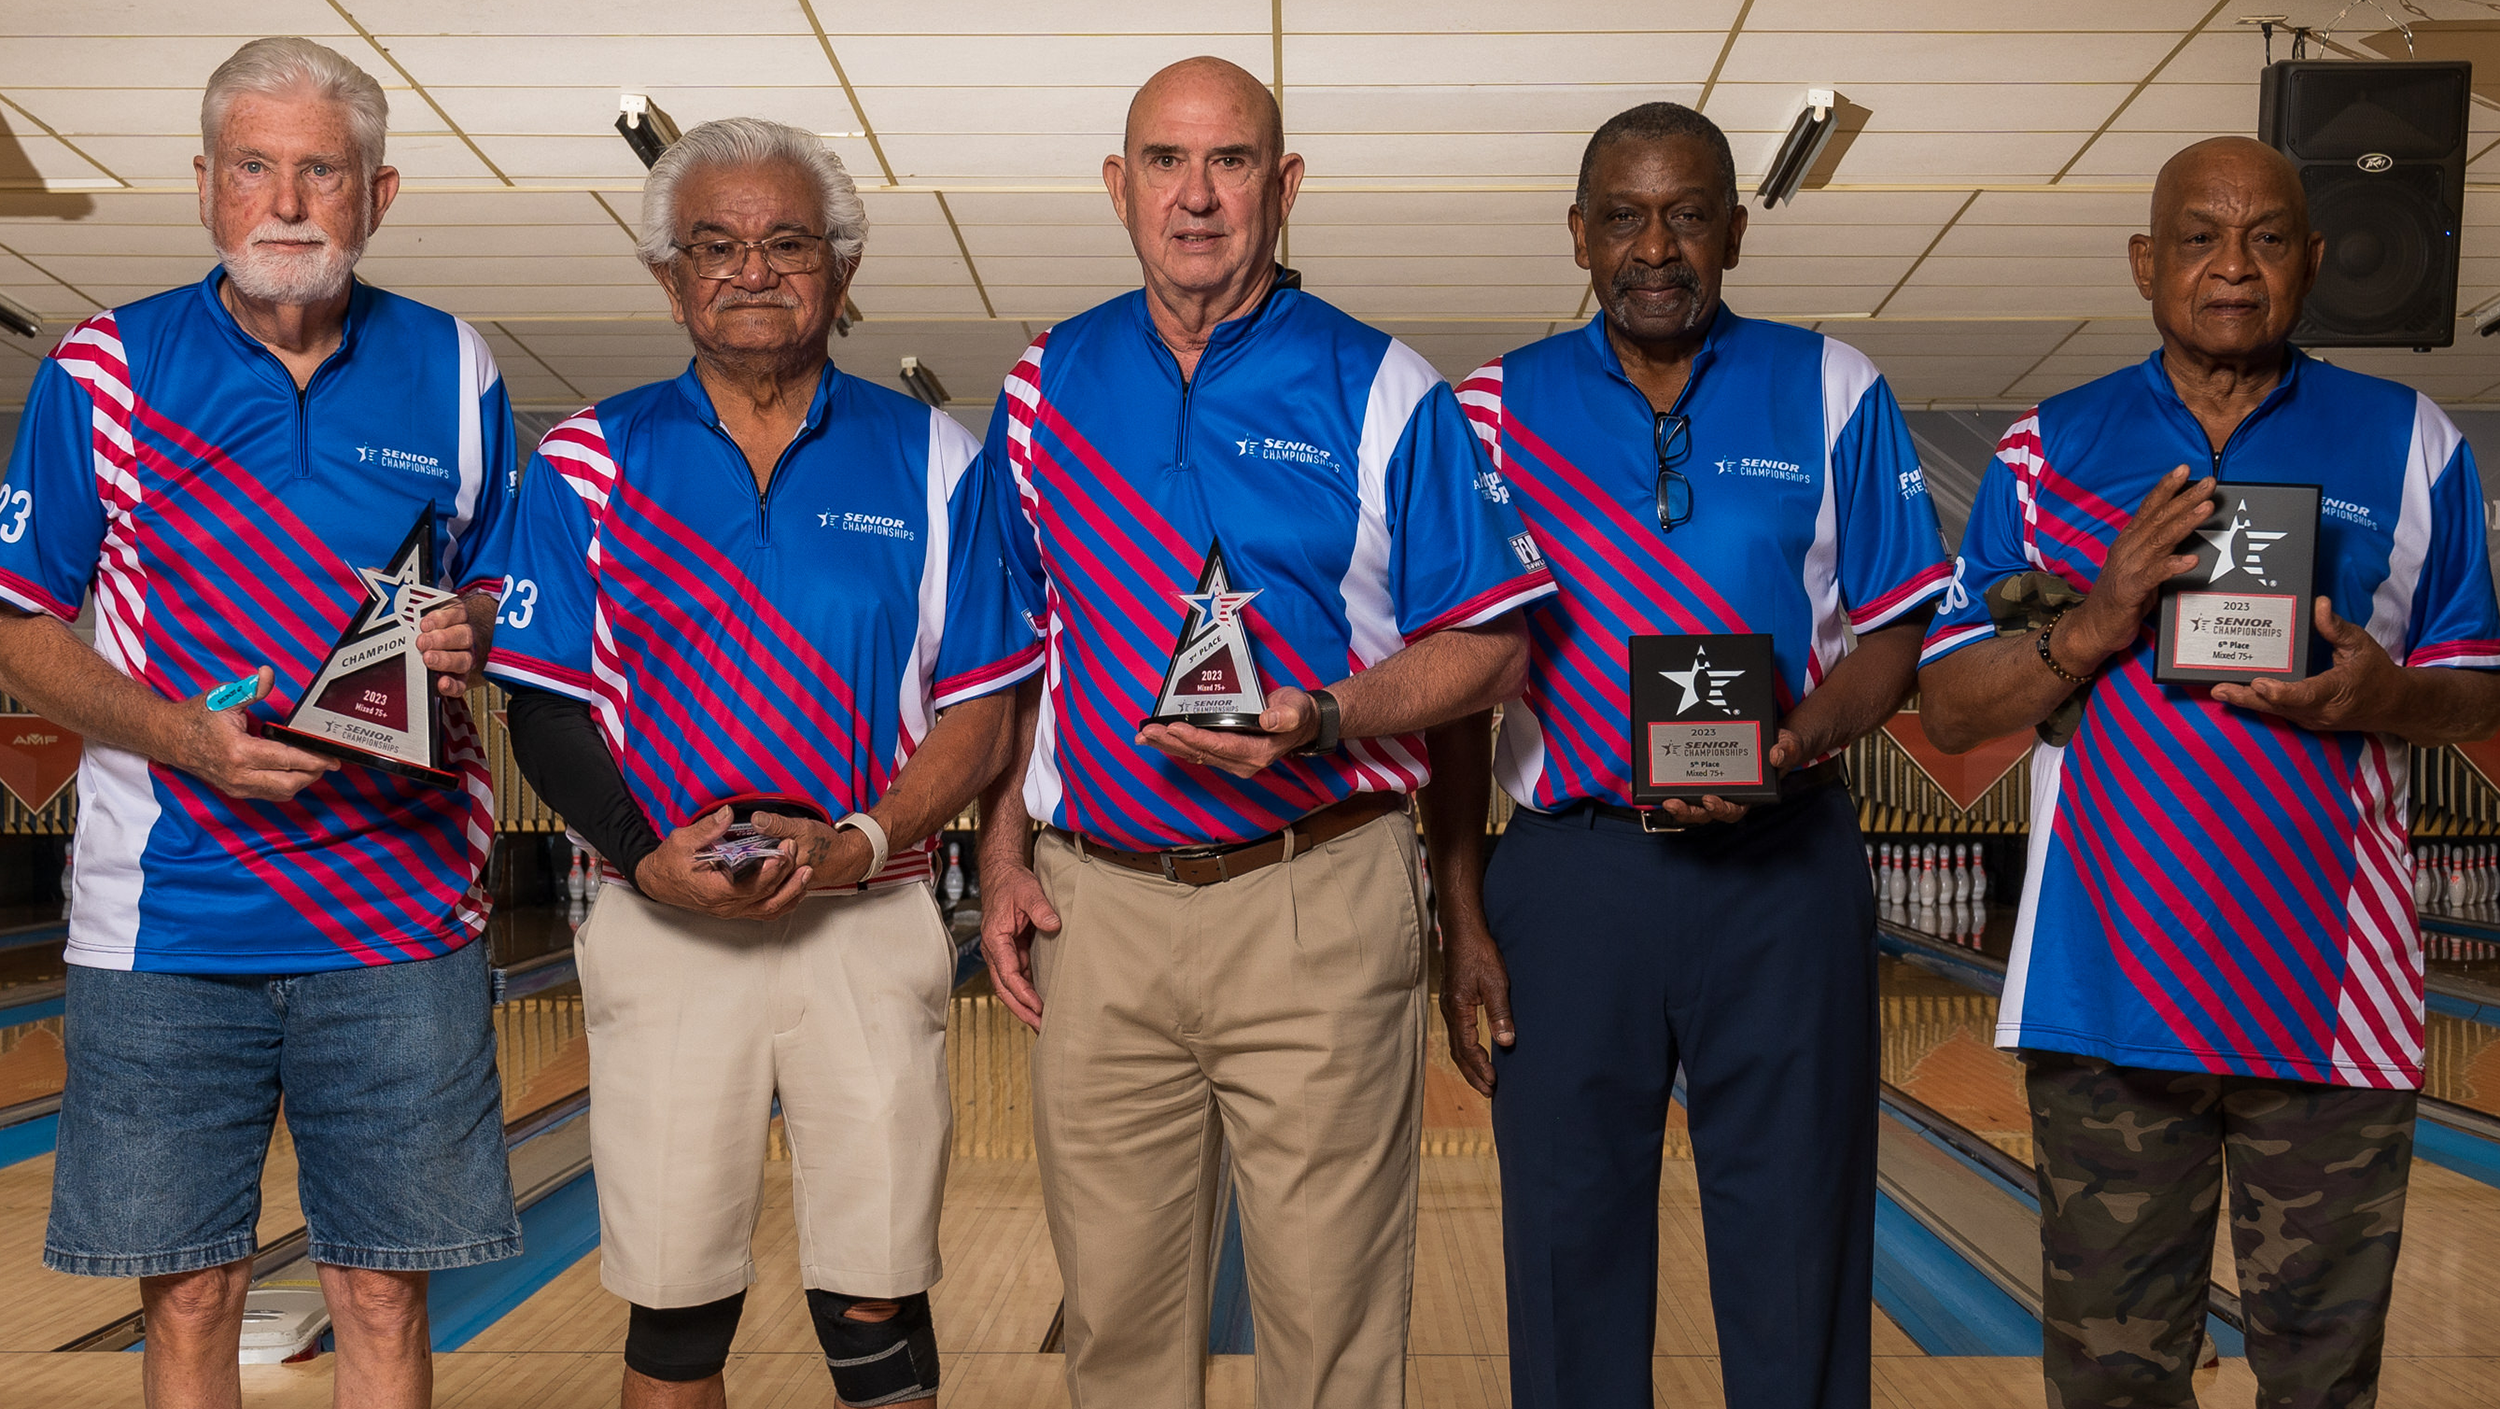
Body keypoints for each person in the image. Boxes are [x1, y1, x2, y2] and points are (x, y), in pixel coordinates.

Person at [971, 56, 1554, 1409]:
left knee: (1331, 1332)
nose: (1196, 195)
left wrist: (1327, 716)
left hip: (1318, 894)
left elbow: (1493, 646)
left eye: (1230, 161)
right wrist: (1000, 858)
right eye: (1165, 162)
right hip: (1098, 909)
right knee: (1114, 1327)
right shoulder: (1045, 385)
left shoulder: (1384, 384)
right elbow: (1010, 658)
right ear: (1118, 187)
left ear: (1282, 187)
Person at [1917, 135, 2500, 1409]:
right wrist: (2095, 616)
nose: (2232, 266)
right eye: (2198, 237)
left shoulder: (2411, 441)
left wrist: (2384, 696)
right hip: (2105, 999)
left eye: (2266, 237)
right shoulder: (2043, 449)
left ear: (2313, 261)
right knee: (2110, 1385)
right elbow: (1949, 706)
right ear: (2145, 261)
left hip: (2330, 1002)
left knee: (2322, 1384)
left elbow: (2476, 685)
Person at [481, 116, 1038, 1409]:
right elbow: (543, 706)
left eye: (787, 243)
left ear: (840, 270)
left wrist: (860, 838)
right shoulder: (587, 460)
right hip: (665, 922)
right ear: (669, 277)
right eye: (714, 246)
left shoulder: (938, 459)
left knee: (877, 1299)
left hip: (870, 912)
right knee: (676, 1310)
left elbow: (982, 710)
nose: (750, 270)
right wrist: (645, 858)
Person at [0, 35, 518, 1409]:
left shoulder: (455, 366)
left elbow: (494, 595)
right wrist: (184, 738)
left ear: (378, 195)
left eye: (322, 172)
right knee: (190, 1296)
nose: (286, 202)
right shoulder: (105, 369)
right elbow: (18, 624)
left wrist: (469, 631)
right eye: (254, 168)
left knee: (382, 1292)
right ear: (205, 185)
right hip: (164, 922)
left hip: (401, 913)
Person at [1429, 102, 1950, 1409]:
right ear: (1579, 235)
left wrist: (1799, 738)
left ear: (1734, 231)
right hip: (1571, 873)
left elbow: (1898, 630)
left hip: (1784, 865)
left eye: (1686, 215)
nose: (1653, 247)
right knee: (1568, 1246)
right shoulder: (1490, 410)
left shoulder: (1834, 386)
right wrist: (1461, 909)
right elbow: (1457, 681)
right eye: (1623, 217)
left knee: (1797, 1247)